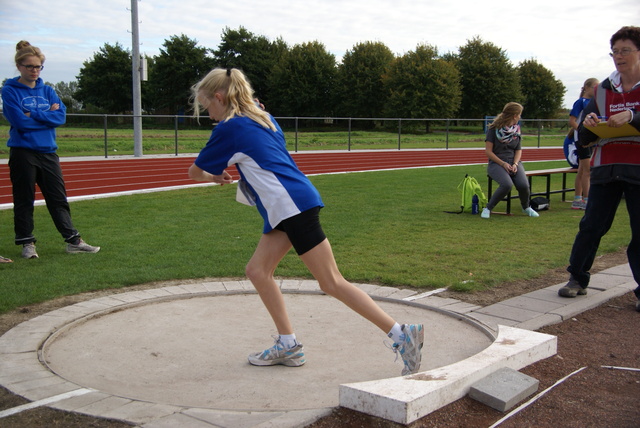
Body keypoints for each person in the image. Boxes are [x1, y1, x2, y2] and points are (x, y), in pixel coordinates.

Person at [187, 67, 424, 375]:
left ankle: (401, 335)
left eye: (208, 107)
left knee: (331, 281)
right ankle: (288, 345)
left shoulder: (229, 128)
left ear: (219, 97)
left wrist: (214, 176)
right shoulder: (264, 117)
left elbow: (194, 172)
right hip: (286, 207)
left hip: (292, 207)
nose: (209, 115)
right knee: (258, 271)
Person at [558, 26, 640, 313]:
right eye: (615, 51)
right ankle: (577, 278)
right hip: (606, 168)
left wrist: (632, 116)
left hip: (638, 170)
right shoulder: (603, 89)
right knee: (591, 226)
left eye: (625, 50)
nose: (619, 56)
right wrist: (590, 125)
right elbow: (582, 136)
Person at [1, 41, 100, 259]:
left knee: (58, 198)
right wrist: (45, 117)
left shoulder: (47, 90)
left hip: (48, 151)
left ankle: (73, 241)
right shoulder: (9, 91)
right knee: (24, 199)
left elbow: (60, 117)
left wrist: (33, 114)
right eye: (30, 67)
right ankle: (27, 243)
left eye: (38, 67)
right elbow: (20, 123)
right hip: (23, 152)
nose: (35, 71)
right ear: (19, 66)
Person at [481, 102, 539, 219]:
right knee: (506, 184)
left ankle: (526, 207)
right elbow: (488, 152)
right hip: (497, 163)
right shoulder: (493, 130)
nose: (520, 117)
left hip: (513, 162)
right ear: (514, 115)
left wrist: (515, 163)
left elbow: (518, 150)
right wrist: (503, 164)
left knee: (523, 185)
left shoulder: (516, 130)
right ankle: (488, 208)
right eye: (519, 115)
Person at [564, 78, 599, 210]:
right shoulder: (580, 102)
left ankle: (578, 199)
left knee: (582, 170)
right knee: (587, 170)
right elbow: (572, 120)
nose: (596, 90)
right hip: (582, 140)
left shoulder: (595, 102)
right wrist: (582, 131)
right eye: (594, 87)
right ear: (586, 87)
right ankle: (587, 199)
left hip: (592, 139)